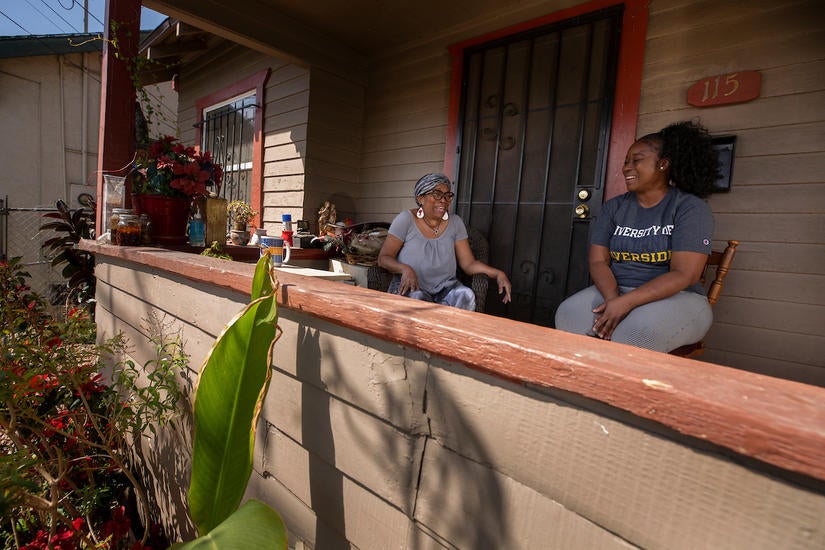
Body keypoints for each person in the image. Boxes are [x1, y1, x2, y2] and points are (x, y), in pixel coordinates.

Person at [554, 120, 719, 352]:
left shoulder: (689, 208)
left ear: (663, 164)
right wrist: (613, 299)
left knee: (637, 334)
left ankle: (621, 388)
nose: (626, 168)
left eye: (636, 160)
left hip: (679, 297)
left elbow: (685, 274)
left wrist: (627, 303)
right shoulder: (614, 207)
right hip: (617, 290)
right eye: (625, 162)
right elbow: (598, 261)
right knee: (567, 315)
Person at [378, 173, 512, 311]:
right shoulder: (405, 219)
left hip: (446, 290)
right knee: (416, 299)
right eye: (437, 194)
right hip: (412, 287)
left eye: (447, 195)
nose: (443, 200)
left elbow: (468, 264)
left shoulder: (455, 223)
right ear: (421, 198)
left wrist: (498, 273)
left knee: (466, 296)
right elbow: (383, 258)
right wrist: (405, 269)